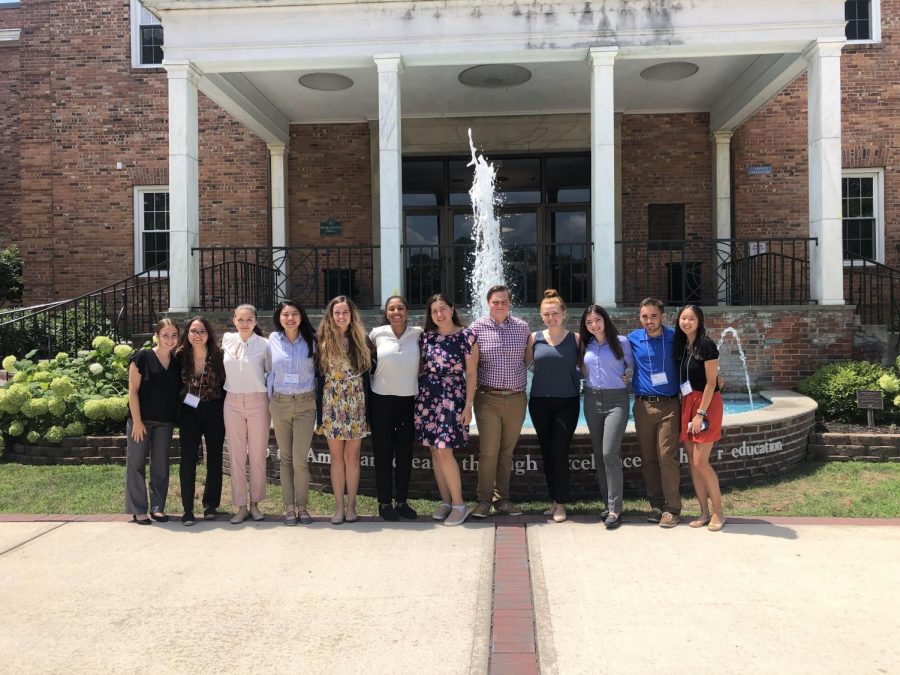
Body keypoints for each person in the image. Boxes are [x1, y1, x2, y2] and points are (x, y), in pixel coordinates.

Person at [415, 294, 478, 527]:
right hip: (428, 396)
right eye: (434, 311)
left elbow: (471, 374)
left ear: (452, 309)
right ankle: (446, 501)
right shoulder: (427, 337)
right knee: (434, 450)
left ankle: (460, 504)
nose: (439, 314)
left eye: (443, 309)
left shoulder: (467, 336)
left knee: (444, 449)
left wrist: (468, 405)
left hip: (452, 396)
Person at [470, 285, 530, 518]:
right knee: (488, 452)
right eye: (496, 301)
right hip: (487, 399)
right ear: (488, 303)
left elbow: (527, 360)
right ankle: (483, 500)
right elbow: (471, 366)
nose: (500, 305)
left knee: (506, 452)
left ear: (510, 303)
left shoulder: (522, 328)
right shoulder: (476, 328)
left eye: (504, 301)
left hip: (516, 398)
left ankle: (502, 499)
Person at [316, 295, 373, 525]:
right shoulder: (322, 341)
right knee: (336, 458)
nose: (341, 317)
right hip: (332, 402)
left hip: (356, 403)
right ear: (331, 316)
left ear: (352, 315)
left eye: (345, 313)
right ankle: (338, 508)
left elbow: (369, 374)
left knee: (353, 457)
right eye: (337, 313)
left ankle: (352, 507)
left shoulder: (361, 340)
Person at [527, 290, 581, 524]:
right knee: (547, 451)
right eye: (546, 314)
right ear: (541, 316)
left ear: (564, 314)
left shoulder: (576, 339)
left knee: (559, 450)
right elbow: (526, 364)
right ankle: (553, 499)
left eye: (555, 313)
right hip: (539, 402)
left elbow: (588, 367)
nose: (551, 318)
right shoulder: (534, 338)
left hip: (567, 403)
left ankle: (561, 503)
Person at [628, 297, 682, 527]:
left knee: (666, 456)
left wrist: (714, 378)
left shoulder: (675, 338)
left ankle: (672, 508)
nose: (648, 321)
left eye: (653, 316)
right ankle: (656, 505)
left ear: (662, 316)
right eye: (644, 316)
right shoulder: (632, 339)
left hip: (669, 405)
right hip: (643, 405)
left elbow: (694, 358)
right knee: (649, 459)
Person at [580, 304, 634, 530]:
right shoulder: (585, 345)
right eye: (589, 322)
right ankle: (607, 503)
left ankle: (615, 509)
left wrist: (628, 377)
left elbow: (633, 369)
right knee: (599, 455)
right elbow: (581, 371)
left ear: (605, 319)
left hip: (616, 402)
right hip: (592, 400)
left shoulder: (621, 342)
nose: (594, 324)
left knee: (609, 452)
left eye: (597, 320)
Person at [369, 295, 421, 522]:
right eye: (392, 309)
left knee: (404, 454)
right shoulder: (376, 334)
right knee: (382, 454)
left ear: (407, 311)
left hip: (408, 401)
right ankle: (384, 503)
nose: (396, 312)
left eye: (400, 308)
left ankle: (402, 501)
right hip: (381, 401)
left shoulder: (418, 334)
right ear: (386, 312)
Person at [124, 318, 182, 524]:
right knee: (136, 464)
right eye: (165, 335)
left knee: (160, 466)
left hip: (165, 423)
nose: (170, 339)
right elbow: (133, 391)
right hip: (141, 421)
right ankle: (138, 509)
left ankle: (158, 507)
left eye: (174, 335)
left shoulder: (177, 363)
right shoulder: (142, 357)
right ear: (157, 336)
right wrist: (137, 422)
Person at [675, 304, 726, 531]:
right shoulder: (684, 345)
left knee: (700, 462)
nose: (686, 322)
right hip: (687, 402)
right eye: (683, 318)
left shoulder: (706, 344)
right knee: (693, 465)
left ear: (699, 321)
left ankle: (719, 512)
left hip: (705, 405)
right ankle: (704, 512)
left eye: (691, 318)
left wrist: (700, 414)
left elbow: (712, 382)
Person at [267, 300, 317, 526]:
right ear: (279, 317)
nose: (290, 318)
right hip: (280, 403)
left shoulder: (312, 340)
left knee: (299, 460)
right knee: (285, 458)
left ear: (301, 316)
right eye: (285, 314)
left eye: (294, 314)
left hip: (305, 404)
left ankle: (303, 508)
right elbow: (267, 370)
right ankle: (289, 508)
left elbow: (319, 371)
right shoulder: (272, 341)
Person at [176, 316, 226, 526]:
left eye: (202, 331)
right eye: (194, 331)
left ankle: (210, 505)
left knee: (214, 458)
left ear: (209, 334)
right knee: (188, 459)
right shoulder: (179, 356)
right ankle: (188, 509)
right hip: (189, 411)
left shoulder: (218, 355)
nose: (198, 335)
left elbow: (225, 382)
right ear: (187, 333)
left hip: (213, 409)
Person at [222, 304, 270, 525]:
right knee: (237, 455)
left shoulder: (264, 345)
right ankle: (241, 506)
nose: (244, 323)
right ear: (234, 320)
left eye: (249, 319)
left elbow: (271, 371)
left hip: (257, 401)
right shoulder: (227, 339)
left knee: (258, 455)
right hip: (232, 401)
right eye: (240, 319)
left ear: (255, 321)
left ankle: (256, 504)